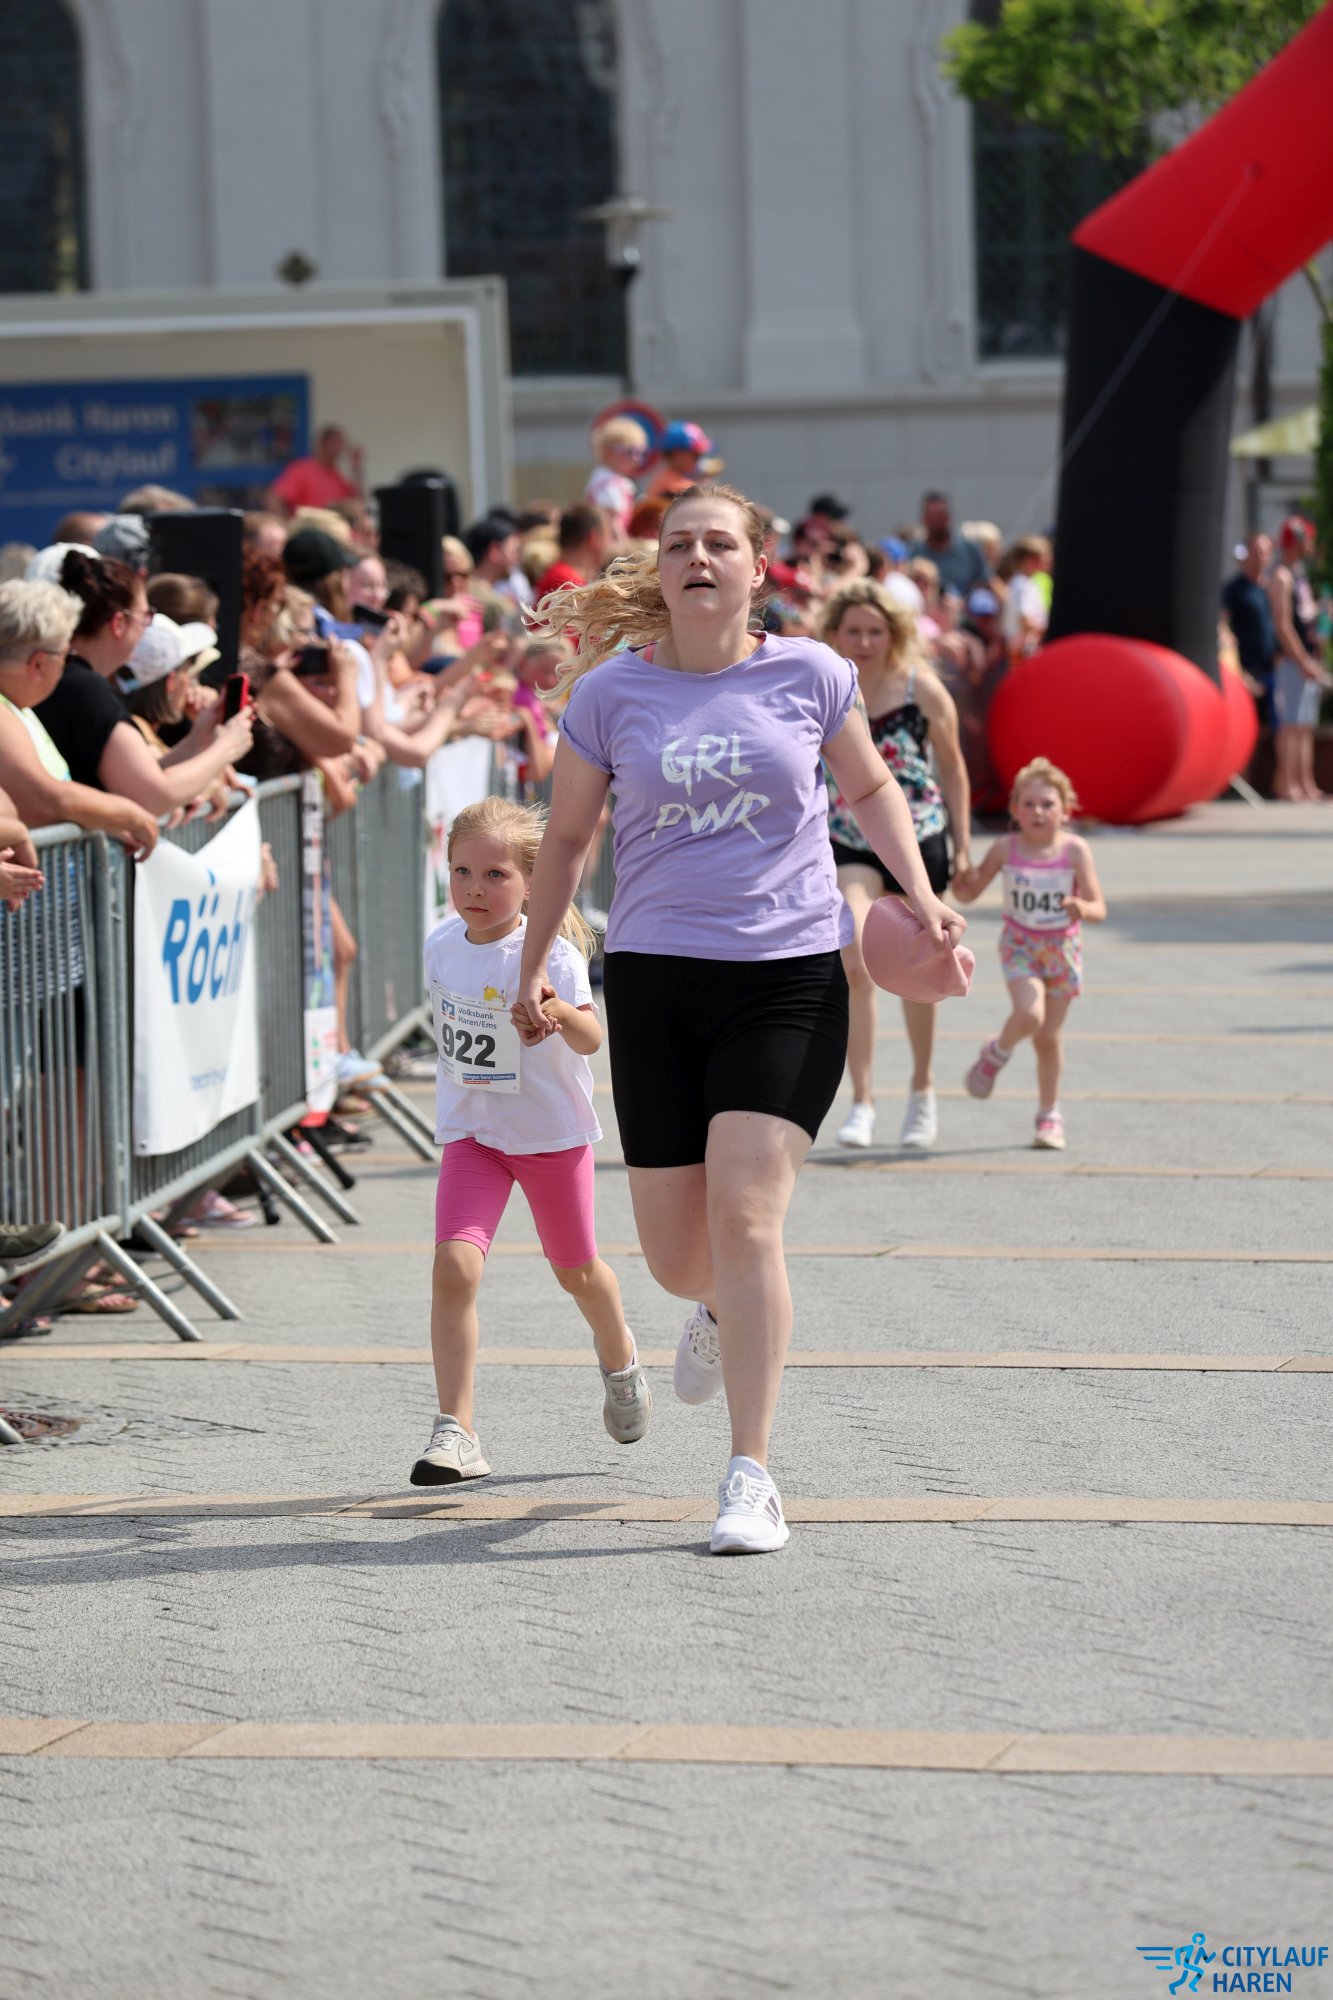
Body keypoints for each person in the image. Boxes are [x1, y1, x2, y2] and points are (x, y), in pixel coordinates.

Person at [515, 484, 965, 1555]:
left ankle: (750, 1473)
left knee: (750, 1219)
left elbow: (870, 791)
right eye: (680, 543)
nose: (699, 557)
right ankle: (717, 1308)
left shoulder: (810, 672)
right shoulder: (611, 694)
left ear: (759, 568)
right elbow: (567, 841)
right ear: (660, 568)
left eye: (721, 542)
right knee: (679, 1257)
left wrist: (920, 891)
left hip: (788, 972)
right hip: (656, 978)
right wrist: (534, 965)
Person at [412, 796, 651, 1485]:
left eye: (495, 875)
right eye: (462, 872)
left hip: (550, 1136)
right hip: (475, 1136)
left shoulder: (550, 955)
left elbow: (593, 1037)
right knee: (453, 1266)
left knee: (576, 1271)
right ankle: (456, 1431)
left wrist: (553, 1013)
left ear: (530, 884)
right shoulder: (440, 945)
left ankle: (619, 1357)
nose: (475, 889)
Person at [821, 581, 971, 1150]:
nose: (864, 642)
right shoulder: (829, 686)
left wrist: (963, 845)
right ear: (835, 634)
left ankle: (922, 1089)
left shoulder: (921, 689)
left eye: (875, 632)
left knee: (919, 963)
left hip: (919, 835)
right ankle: (861, 1100)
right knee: (854, 956)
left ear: (894, 635)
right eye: (853, 631)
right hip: (849, 836)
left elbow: (952, 768)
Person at [954, 757, 1106, 1151]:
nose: (1038, 812)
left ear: (1065, 810)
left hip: (1062, 951)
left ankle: (1049, 1115)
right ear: (1015, 810)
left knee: (1048, 1038)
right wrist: (959, 873)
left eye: (1048, 804)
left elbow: (1099, 908)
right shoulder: (1006, 849)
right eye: (1030, 804)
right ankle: (997, 1053)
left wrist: (1082, 908)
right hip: (1021, 947)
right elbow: (969, 893)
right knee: (1030, 1014)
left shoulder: (1075, 850)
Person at [32, 551, 252, 815]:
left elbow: (141, 776)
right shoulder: (84, 688)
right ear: (118, 623)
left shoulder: (75, 680)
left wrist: (199, 738)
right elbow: (153, 794)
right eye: (145, 617)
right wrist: (227, 746)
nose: (147, 628)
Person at [0, 581, 158, 859]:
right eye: (66, 655)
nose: (67, 665)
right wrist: (131, 816)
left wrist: (103, 820)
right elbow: (45, 799)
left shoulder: (16, 707)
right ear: (38, 663)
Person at [1269, 516, 1331, 802]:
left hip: (1307, 661)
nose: (1311, 545)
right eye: (1307, 539)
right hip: (1292, 663)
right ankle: (1286, 785)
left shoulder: (1299, 574)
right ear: (1296, 540)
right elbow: (1282, 624)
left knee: (1305, 726)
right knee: (1291, 725)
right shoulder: (1281, 576)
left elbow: (1303, 615)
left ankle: (1305, 784)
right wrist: (1302, 660)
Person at [1222, 534, 1278, 731]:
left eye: (1265, 552)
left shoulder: (1269, 588)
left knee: (1274, 731)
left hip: (1271, 670)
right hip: (1246, 671)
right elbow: (1223, 625)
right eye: (1257, 552)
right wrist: (1238, 671)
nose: (1261, 557)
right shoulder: (1234, 589)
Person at [268, 423, 363, 516]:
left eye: (341, 444)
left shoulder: (338, 477)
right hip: (307, 525)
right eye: (335, 444)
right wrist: (287, 523)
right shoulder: (302, 470)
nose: (338, 449)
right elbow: (273, 499)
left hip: (332, 525)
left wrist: (356, 468)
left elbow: (358, 503)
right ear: (323, 443)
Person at [908, 493, 989, 600]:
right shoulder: (914, 553)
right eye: (932, 516)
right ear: (924, 519)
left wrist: (964, 603)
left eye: (940, 514)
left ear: (949, 517)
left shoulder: (970, 550)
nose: (936, 520)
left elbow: (984, 582)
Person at [585, 416, 648, 540]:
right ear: (608, 453)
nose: (636, 458)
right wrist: (625, 547)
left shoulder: (614, 480)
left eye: (640, 452)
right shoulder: (607, 483)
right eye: (629, 452)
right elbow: (612, 522)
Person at [533, 504, 607, 600]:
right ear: (593, 538)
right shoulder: (567, 583)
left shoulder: (561, 576)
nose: (608, 544)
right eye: (607, 536)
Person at [645, 420, 714, 501]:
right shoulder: (673, 487)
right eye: (696, 454)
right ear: (677, 455)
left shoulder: (670, 478)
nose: (698, 459)